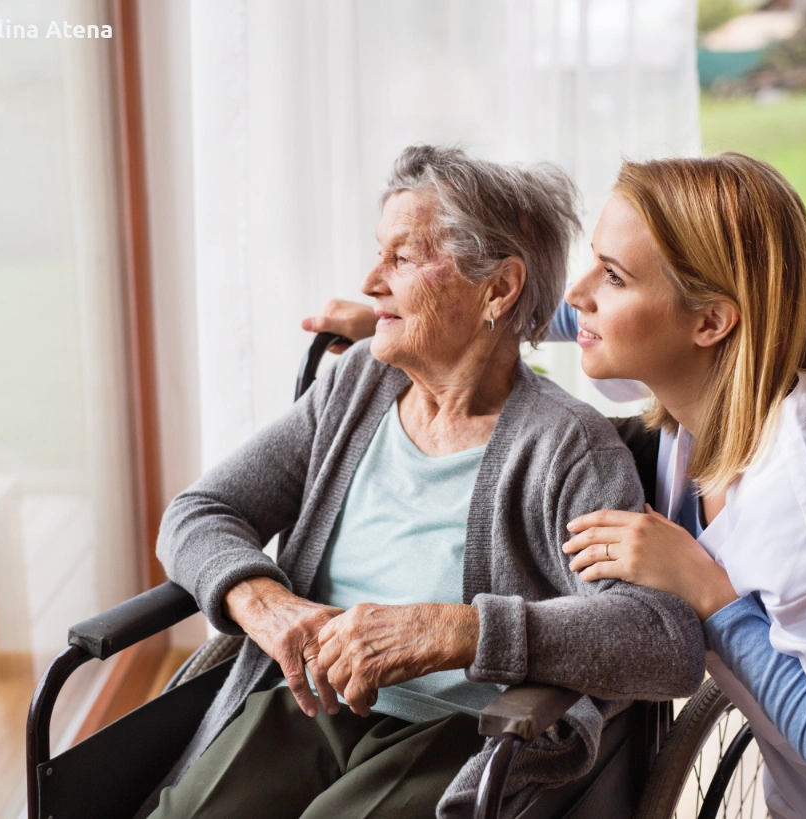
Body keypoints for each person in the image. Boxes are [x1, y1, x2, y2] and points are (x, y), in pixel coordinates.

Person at [305, 153, 806, 818]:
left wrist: (709, 595)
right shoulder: (736, 368)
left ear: (710, 321)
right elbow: (582, 313)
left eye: (612, 275)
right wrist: (435, 320)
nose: (578, 294)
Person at [140, 145, 706, 819]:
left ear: (498, 289)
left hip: (461, 731)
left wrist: (458, 630)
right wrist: (266, 603)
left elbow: (662, 638)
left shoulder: (564, 445)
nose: (371, 281)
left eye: (403, 258)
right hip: (307, 706)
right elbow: (200, 511)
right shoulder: (356, 387)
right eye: (379, 253)